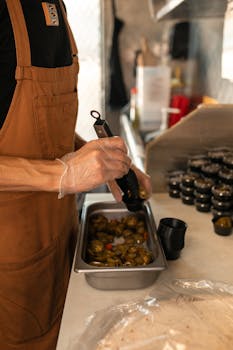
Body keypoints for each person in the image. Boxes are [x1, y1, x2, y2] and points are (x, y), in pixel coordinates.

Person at [0, 1, 152, 349]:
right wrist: (63, 174)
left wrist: (101, 159)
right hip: (9, 270)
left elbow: (43, 129)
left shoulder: (55, 7)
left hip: (59, 249)